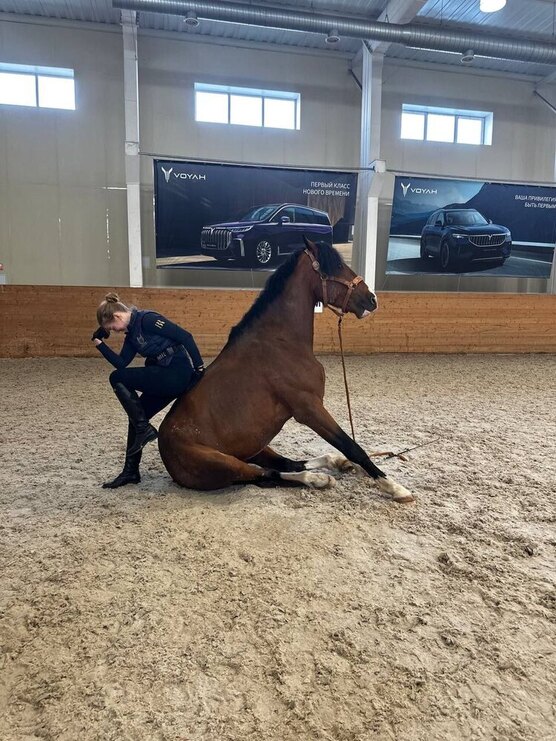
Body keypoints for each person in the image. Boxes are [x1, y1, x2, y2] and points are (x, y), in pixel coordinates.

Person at [92, 292, 205, 489]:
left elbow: (185, 336)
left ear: (117, 316)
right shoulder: (131, 335)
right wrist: (99, 344)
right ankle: (131, 471)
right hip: (163, 376)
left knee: (117, 379)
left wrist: (199, 368)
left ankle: (144, 430)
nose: (114, 331)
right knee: (137, 416)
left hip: (176, 372)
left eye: (111, 327)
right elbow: (121, 363)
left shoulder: (148, 320)